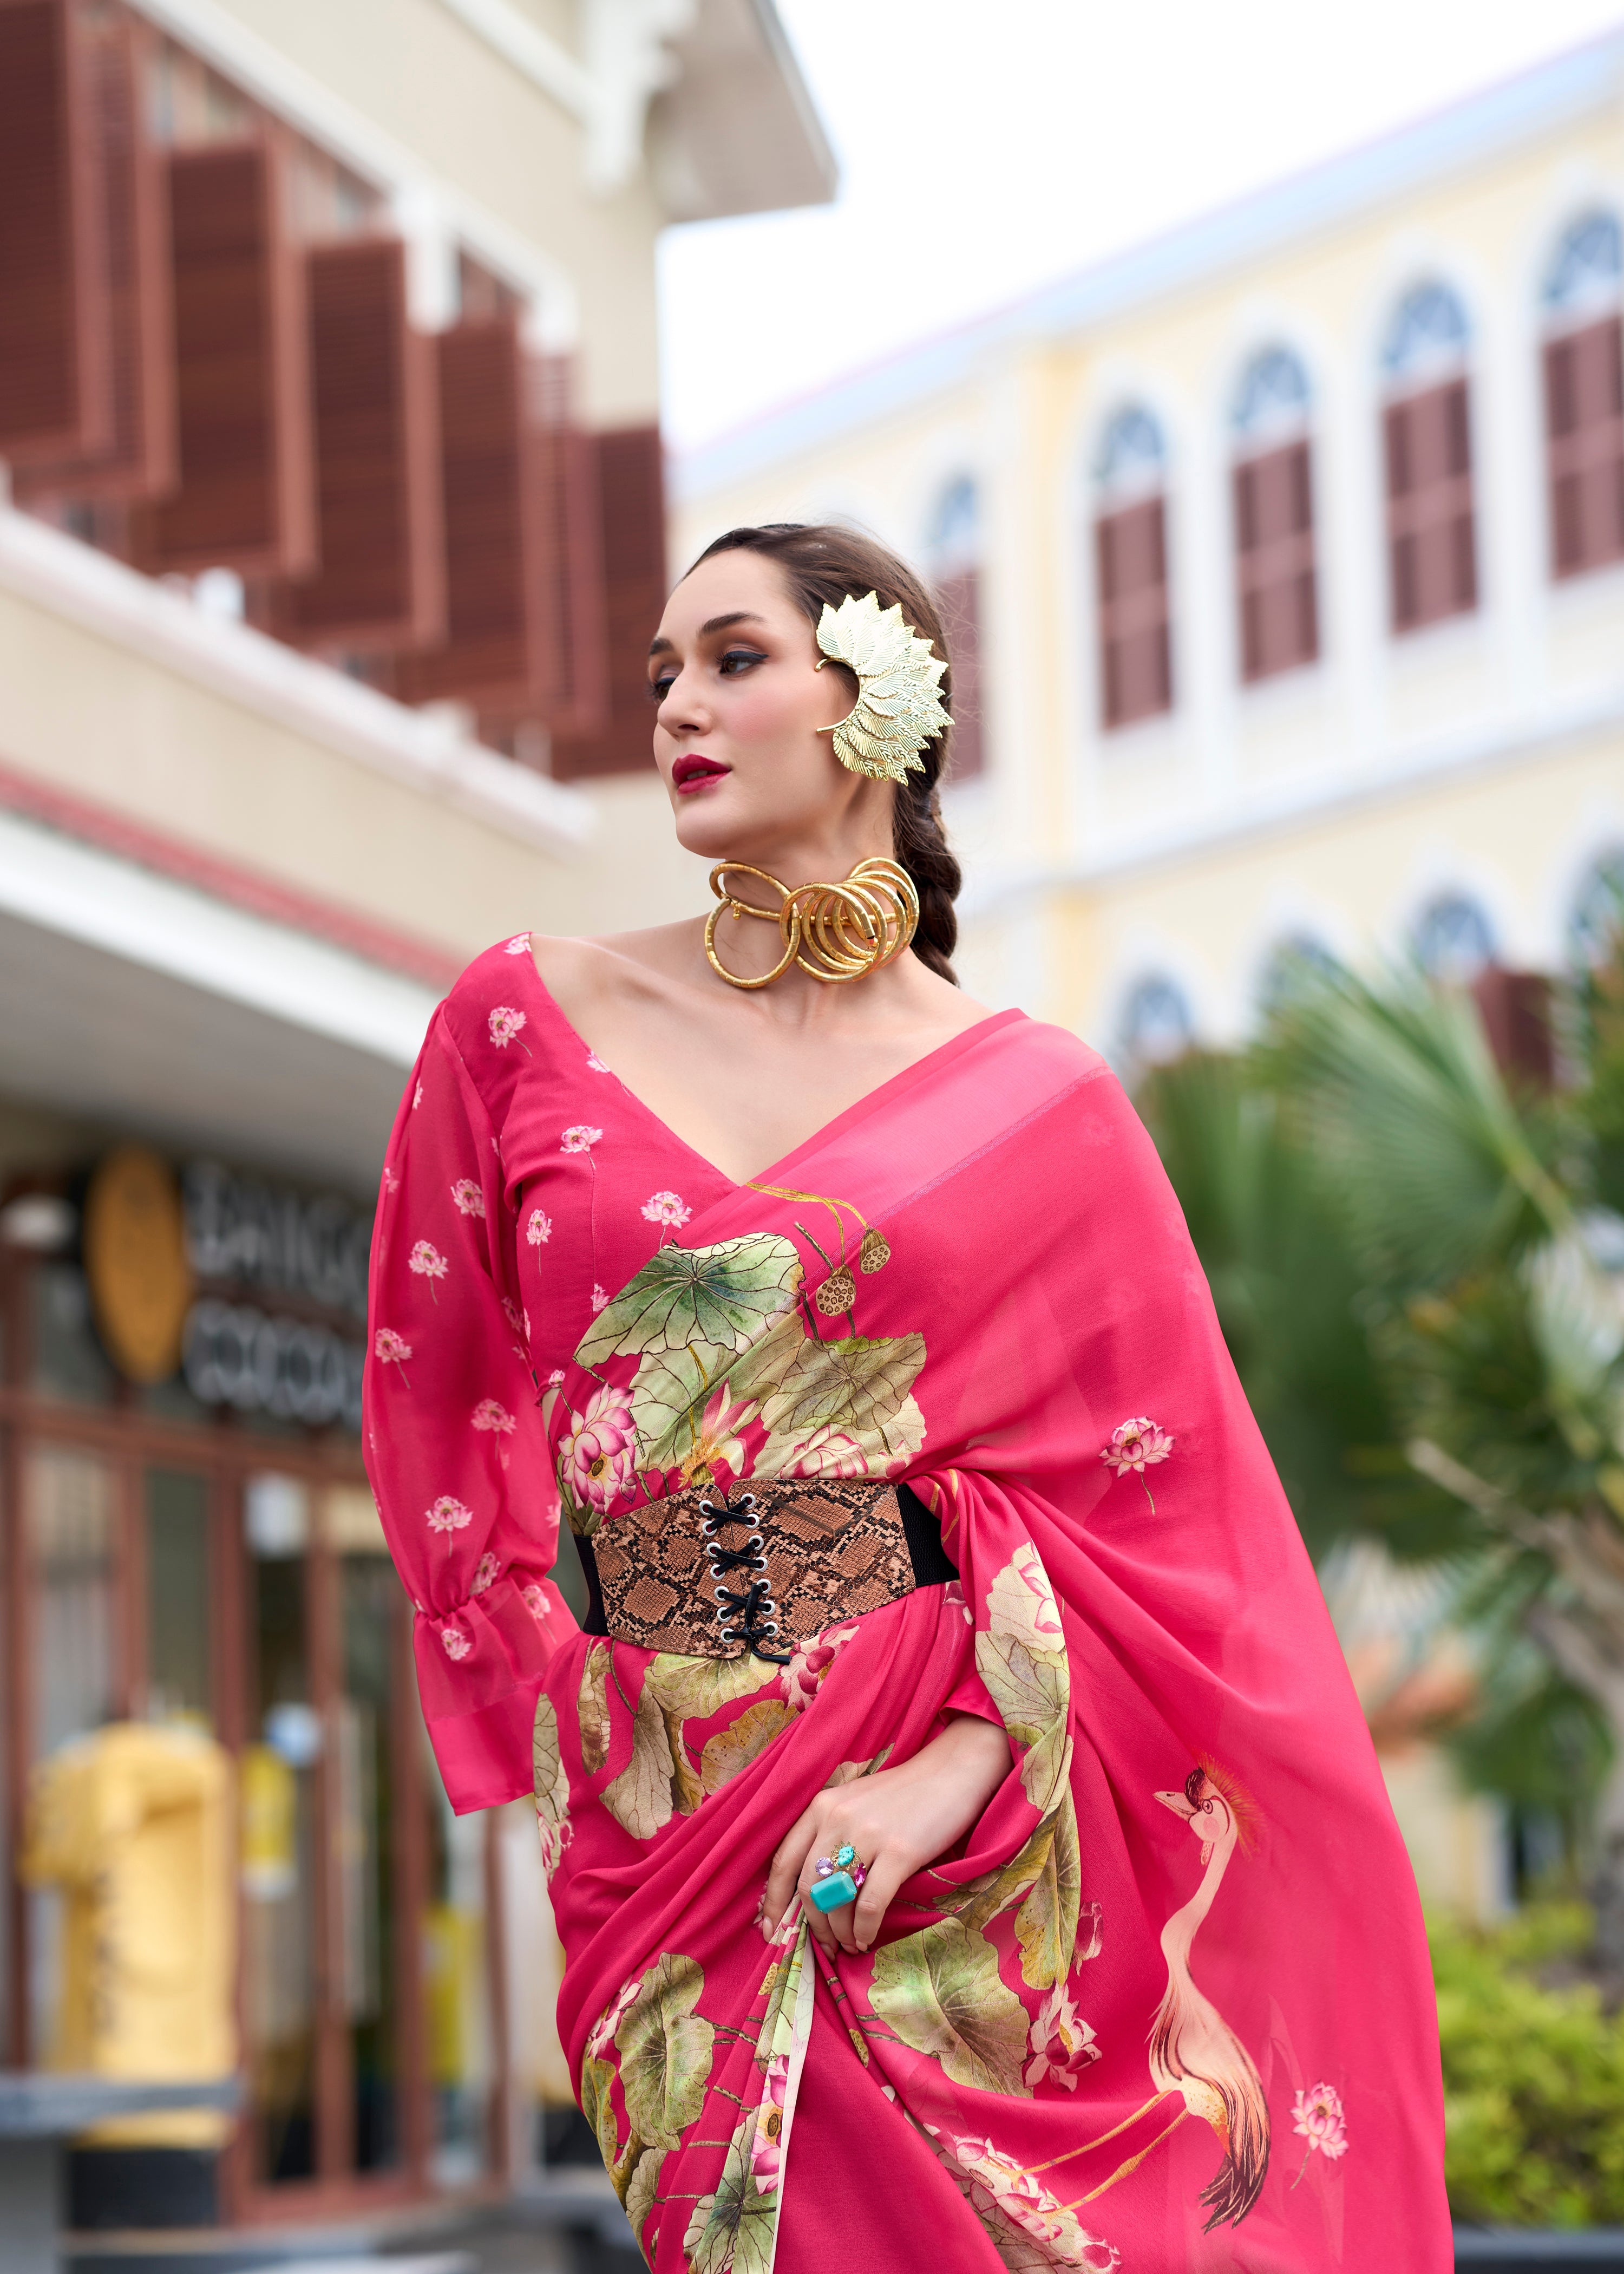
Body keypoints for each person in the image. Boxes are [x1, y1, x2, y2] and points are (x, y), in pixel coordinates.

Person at [364, 522, 1451, 2271]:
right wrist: (545, 1704)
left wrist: (959, 1762)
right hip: (650, 1819)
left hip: (947, 1816)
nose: (675, 711)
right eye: (659, 678)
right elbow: (441, 1399)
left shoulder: (1036, 1106)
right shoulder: (525, 1019)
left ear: (878, 701)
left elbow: (1165, 1541)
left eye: (732, 660)